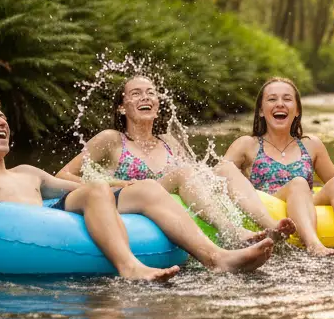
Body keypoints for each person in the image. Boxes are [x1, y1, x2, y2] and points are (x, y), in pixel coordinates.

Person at [0, 94, 274, 280]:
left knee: (141, 189)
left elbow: (79, 186)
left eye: (3, 117)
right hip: (14, 233)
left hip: (51, 219)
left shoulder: (28, 173)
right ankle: (129, 267)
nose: (2, 122)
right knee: (95, 192)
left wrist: (131, 183)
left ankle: (216, 257)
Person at [58, 75, 293, 245]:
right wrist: (113, 184)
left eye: (151, 93)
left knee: (225, 168)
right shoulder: (111, 139)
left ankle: (270, 226)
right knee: (183, 174)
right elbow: (63, 175)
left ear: (158, 105)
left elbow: (198, 177)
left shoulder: (169, 141)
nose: (145, 97)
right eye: (136, 94)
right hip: (129, 201)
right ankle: (230, 231)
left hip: (165, 202)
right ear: (121, 108)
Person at [224, 77, 334, 256]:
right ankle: (314, 245)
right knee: (298, 182)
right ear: (261, 111)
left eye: (287, 99)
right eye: (272, 99)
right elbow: (220, 177)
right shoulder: (247, 144)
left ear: (297, 111)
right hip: (268, 205)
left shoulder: (312, 145)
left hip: (304, 205)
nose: (280, 104)